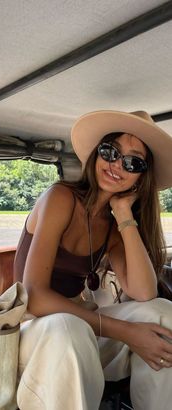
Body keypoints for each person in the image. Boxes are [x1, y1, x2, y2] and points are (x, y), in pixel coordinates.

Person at [13, 110, 172, 410]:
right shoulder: (60, 198)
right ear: (97, 153)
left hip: (81, 329)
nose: (116, 166)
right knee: (66, 327)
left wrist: (124, 214)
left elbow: (144, 293)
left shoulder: (112, 228)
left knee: (162, 312)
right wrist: (126, 332)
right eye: (110, 152)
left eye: (133, 162)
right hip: (33, 332)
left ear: (142, 177)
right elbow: (33, 296)